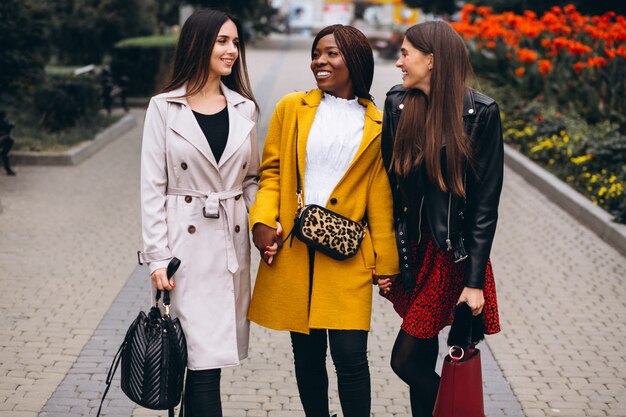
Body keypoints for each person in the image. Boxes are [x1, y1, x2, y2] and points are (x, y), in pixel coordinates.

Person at [248, 25, 399, 417]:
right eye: (316, 54)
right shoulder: (292, 108)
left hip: (347, 254)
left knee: (351, 358)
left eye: (331, 54)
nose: (320, 61)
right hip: (296, 250)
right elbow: (272, 173)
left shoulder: (379, 126)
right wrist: (261, 222)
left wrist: (387, 265)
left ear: (355, 59)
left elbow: (380, 200)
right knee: (308, 356)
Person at [138, 9, 263, 417]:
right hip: (183, 254)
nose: (231, 51)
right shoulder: (163, 107)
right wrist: (156, 256)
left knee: (207, 368)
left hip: (230, 248)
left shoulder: (245, 108)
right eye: (222, 41)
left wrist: (261, 222)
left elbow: (251, 179)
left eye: (235, 43)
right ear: (198, 44)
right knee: (195, 362)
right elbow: (152, 187)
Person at [377, 21, 502, 417]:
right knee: (422, 356)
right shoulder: (398, 103)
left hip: (452, 256)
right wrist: (386, 258)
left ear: (431, 60)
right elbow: (387, 190)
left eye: (405, 53)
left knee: (406, 361)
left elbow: (484, 207)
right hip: (412, 249)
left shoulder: (480, 113)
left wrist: (475, 283)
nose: (399, 63)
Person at [0, 111, 16, 176]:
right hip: (3, 138)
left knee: (4, 154)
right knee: (4, 155)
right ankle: (8, 169)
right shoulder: (4, 122)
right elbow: (11, 125)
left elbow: (11, 125)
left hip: (4, 138)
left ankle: (8, 170)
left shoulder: (4, 122)